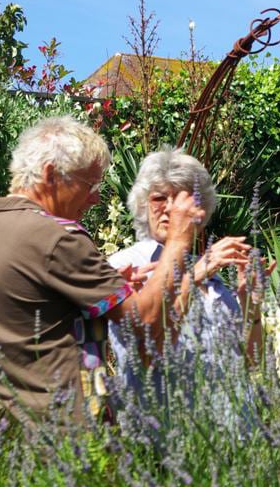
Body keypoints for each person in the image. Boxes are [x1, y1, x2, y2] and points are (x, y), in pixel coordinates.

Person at [0, 116, 203, 430]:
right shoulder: (58, 237)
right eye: (90, 184)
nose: (95, 197)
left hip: (1, 432)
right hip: (63, 443)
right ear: (50, 174)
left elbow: (33, 308)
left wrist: (106, 289)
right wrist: (179, 240)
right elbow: (145, 322)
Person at [106, 147, 262, 414]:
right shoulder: (124, 268)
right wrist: (193, 277)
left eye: (181, 200)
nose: (169, 208)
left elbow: (251, 361)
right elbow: (144, 356)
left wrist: (251, 307)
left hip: (236, 438)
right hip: (171, 438)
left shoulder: (212, 272)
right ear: (143, 206)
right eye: (159, 198)